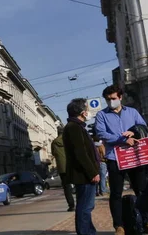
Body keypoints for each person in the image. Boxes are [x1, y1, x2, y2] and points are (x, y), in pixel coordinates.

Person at [95, 85, 148, 235]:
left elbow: (142, 126)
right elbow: (101, 132)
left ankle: (147, 221)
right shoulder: (102, 115)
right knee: (116, 194)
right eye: (108, 99)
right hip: (115, 157)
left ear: (120, 97)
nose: (110, 101)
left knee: (142, 191)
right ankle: (119, 226)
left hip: (135, 156)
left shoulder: (132, 112)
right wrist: (121, 140)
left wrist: (133, 132)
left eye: (113, 98)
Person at [63, 98, 100, 235]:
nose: (89, 112)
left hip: (84, 174)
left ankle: (89, 232)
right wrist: (92, 172)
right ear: (83, 112)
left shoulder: (77, 127)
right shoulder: (73, 127)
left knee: (86, 207)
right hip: (83, 175)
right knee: (85, 207)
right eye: (87, 109)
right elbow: (81, 153)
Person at [51, 126, 75, 211]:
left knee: (66, 187)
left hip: (62, 167)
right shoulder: (69, 140)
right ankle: (81, 203)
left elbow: (53, 153)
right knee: (79, 184)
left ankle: (71, 205)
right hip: (72, 166)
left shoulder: (54, 142)